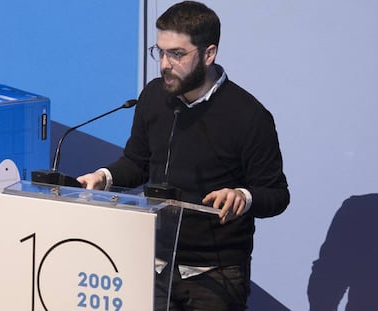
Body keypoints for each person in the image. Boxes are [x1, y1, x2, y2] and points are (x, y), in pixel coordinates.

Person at [77, 1, 289, 310]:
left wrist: (243, 196)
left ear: (209, 53)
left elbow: (277, 194)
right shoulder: (153, 96)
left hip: (215, 275)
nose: (164, 64)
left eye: (177, 54)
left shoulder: (249, 115)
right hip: (154, 263)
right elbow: (137, 163)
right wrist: (104, 177)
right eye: (160, 51)